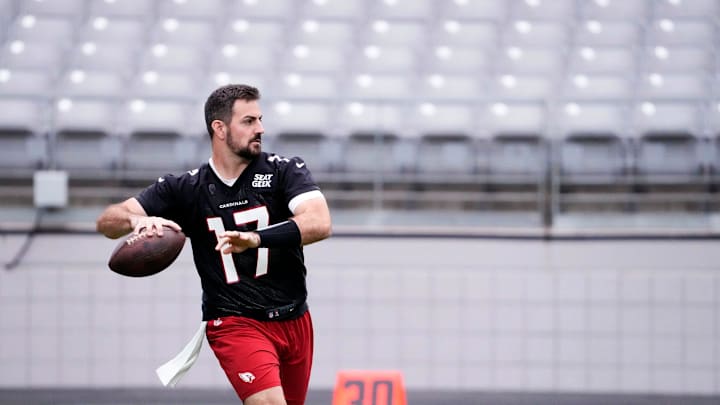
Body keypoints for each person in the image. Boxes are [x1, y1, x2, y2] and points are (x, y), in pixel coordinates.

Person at [96, 84, 332, 405]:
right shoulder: (185, 188)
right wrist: (136, 221)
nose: (260, 129)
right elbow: (108, 221)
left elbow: (319, 222)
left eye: (260, 119)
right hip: (234, 321)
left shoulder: (283, 170)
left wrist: (255, 238)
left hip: (295, 319)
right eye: (248, 121)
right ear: (219, 129)